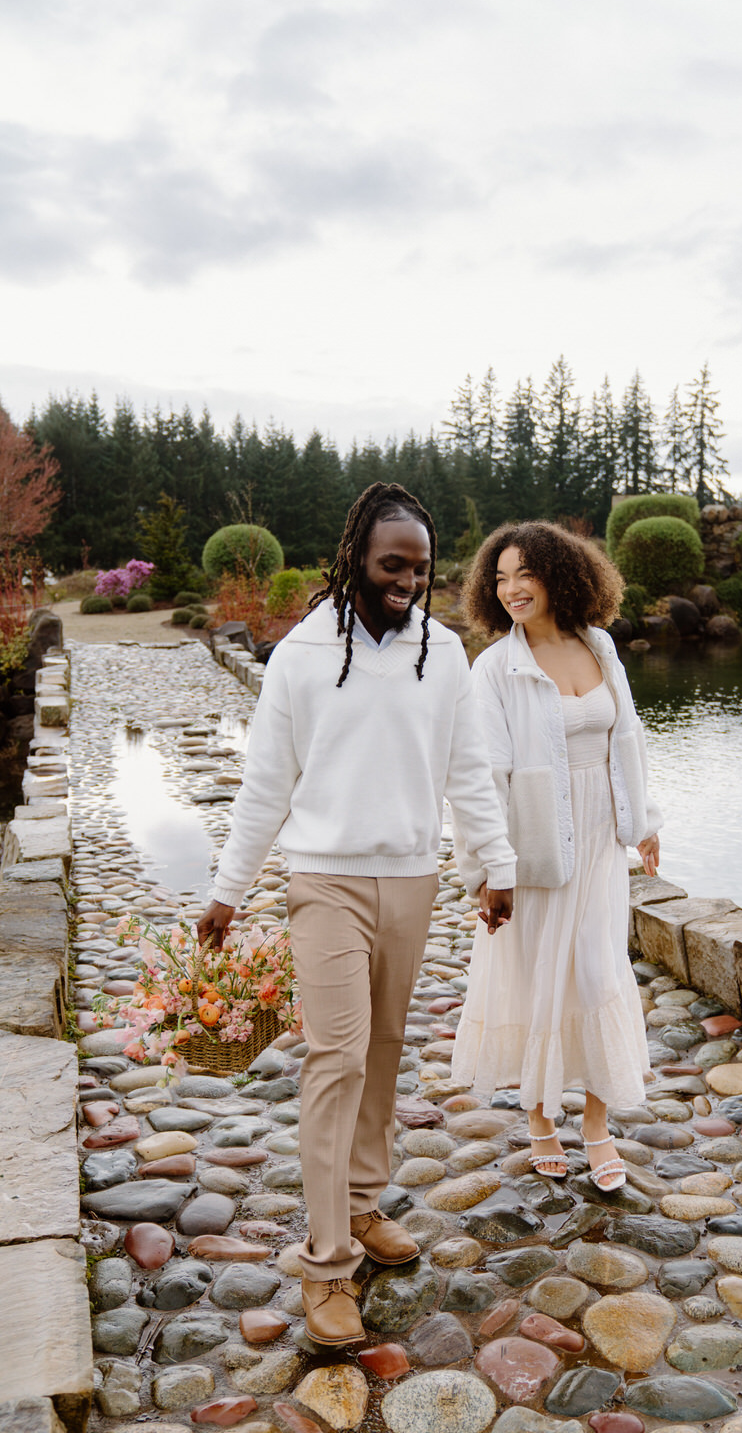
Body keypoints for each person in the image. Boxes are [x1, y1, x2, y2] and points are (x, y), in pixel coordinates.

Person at [197, 483, 516, 1347]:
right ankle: (329, 1262)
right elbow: (267, 782)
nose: (409, 579)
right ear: (355, 559)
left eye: (420, 566)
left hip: (411, 879)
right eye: (392, 564)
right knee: (335, 1057)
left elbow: (468, 771)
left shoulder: (443, 653)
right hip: (324, 882)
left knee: (381, 1052)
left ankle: (366, 1206)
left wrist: (495, 868)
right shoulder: (302, 654)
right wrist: (228, 890)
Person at [451, 520, 661, 1190]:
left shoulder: (598, 644)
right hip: (535, 848)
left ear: (559, 576)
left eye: (525, 574)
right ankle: (542, 1118)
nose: (512, 588)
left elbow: (627, 736)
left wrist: (645, 822)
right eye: (500, 577)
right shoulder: (495, 668)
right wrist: (490, 871)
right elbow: (483, 775)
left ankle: (596, 1125)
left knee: (600, 975)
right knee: (544, 980)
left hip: (601, 843)